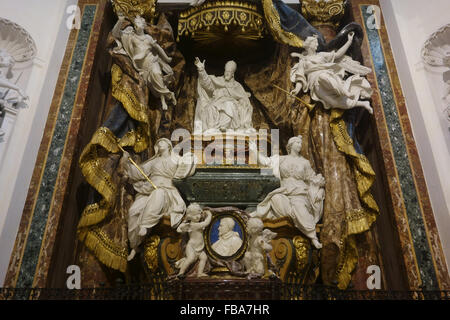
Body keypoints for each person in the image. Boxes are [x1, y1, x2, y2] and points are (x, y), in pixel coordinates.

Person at [121, 138, 196, 261]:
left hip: (167, 191)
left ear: (168, 145)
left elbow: (186, 168)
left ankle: (145, 224)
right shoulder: (154, 161)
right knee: (133, 211)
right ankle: (135, 245)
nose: (159, 144)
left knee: (159, 194)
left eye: (162, 142)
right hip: (149, 189)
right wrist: (127, 161)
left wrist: (190, 157)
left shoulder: (176, 158)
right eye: (157, 143)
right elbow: (139, 172)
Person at [250, 135, 325, 249]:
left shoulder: (305, 162)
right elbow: (265, 162)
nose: (300, 145)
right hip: (284, 192)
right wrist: (254, 150)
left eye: (300, 143)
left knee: (299, 207)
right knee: (275, 198)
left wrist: (319, 190)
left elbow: (313, 179)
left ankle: (313, 237)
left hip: (299, 193)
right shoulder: (281, 159)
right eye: (297, 143)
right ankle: (295, 218)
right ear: (291, 145)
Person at [290, 33, 373, 114]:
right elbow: (300, 78)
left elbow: (338, 54)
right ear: (309, 45)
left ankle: (344, 91)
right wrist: (296, 90)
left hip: (324, 75)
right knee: (334, 103)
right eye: (315, 43)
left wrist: (349, 41)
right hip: (315, 86)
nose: (316, 45)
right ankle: (363, 104)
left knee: (322, 77)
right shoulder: (303, 61)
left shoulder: (321, 55)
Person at [112, 14, 176, 110]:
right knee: (153, 85)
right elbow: (115, 33)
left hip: (152, 61)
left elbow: (158, 48)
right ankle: (169, 95)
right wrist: (120, 20)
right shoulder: (131, 37)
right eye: (136, 23)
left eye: (139, 23)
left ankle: (164, 99)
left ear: (143, 25)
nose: (137, 25)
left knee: (157, 73)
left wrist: (166, 58)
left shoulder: (148, 38)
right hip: (142, 66)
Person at [194, 58, 255, 134]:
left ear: (233, 74)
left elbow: (243, 97)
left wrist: (243, 101)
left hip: (231, 104)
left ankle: (225, 127)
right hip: (216, 102)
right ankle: (214, 129)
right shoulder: (218, 81)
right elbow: (207, 84)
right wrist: (201, 70)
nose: (226, 73)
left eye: (229, 72)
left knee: (229, 105)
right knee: (210, 108)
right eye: (226, 71)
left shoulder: (237, 86)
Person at [175, 204, 212, 277]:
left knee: (204, 258)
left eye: (198, 214)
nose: (198, 217)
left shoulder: (195, 224)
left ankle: (199, 273)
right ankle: (180, 273)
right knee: (190, 259)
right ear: (190, 217)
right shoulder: (194, 225)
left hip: (200, 247)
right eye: (195, 215)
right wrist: (209, 215)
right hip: (192, 247)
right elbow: (206, 223)